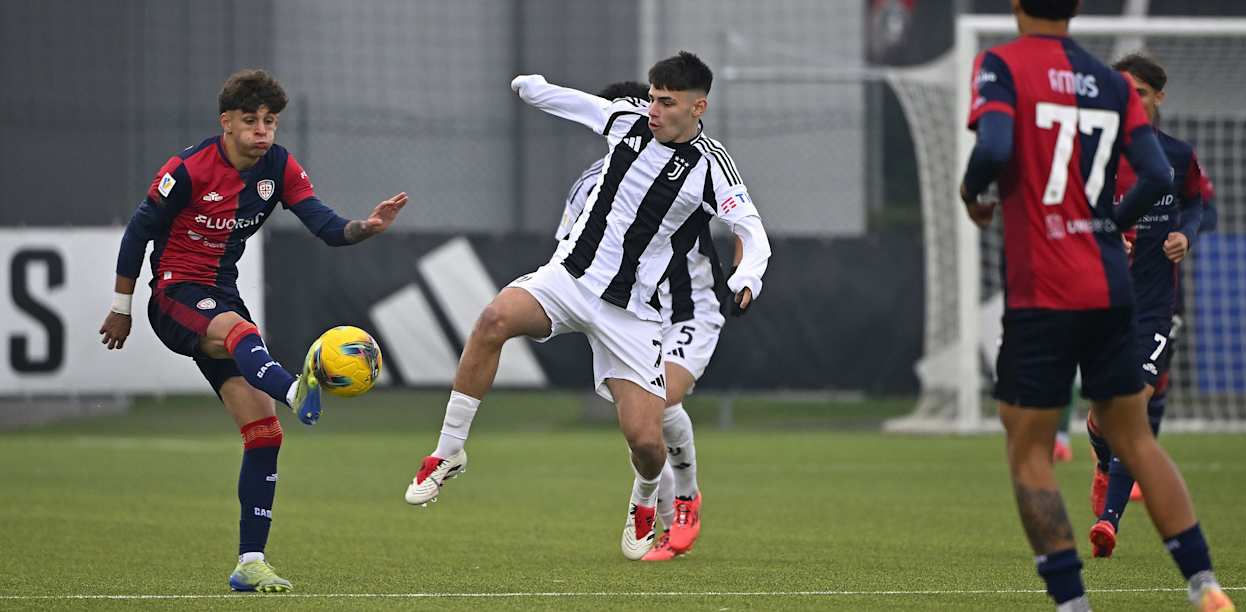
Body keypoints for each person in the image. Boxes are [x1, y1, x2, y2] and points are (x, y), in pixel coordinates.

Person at [404, 52, 770, 562]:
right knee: (493, 321)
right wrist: (532, 88)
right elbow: (580, 104)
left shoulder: (711, 166)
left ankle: (645, 500)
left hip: (633, 313)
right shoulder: (628, 121)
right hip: (570, 281)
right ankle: (447, 452)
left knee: (646, 439)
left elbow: (751, 229)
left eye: (666, 102)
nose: (654, 109)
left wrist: (748, 275)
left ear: (697, 107)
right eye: (652, 97)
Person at [958, 0, 1232, 611]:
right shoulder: (1111, 84)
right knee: (1135, 439)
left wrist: (975, 196)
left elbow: (993, 147)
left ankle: (1072, 604)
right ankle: (1205, 585)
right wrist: (1110, 220)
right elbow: (1161, 175)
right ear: (1079, 3)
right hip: (1111, 284)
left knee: (1027, 448)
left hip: (1042, 291)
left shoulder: (1000, 65)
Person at [99, 69, 408, 593]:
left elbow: (327, 227)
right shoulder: (188, 169)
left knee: (264, 433)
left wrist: (366, 227)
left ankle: (250, 562)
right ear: (227, 123)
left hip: (222, 294)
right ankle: (292, 386)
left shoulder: (279, 166)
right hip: (175, 294)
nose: (263, 131)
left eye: (270, 122)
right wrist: (121, 306)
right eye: (251, 121)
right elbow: (138, 231)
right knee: (241, 333)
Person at [552, 80, 745, 562]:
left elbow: (742, 221)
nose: (652, 119)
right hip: (634, 315)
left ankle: (686, 501)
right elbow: (567, 249)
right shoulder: (589, 186)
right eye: (644, 109)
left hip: (691, 308)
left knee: (659, 404)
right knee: (639, 423)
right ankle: (661, 521)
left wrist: (745, 273)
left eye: (659, 107)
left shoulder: (694, 166)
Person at [1085, 53, 1205, 559]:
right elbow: (1072, 215)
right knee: (1104, 416)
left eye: (1137, 92)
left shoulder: (1177, 156)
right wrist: (1105, 240)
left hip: (1154, 306)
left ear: (1158, 96)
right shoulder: (1095, 154)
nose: (1128, 100)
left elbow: (1199, 203)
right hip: (1101, 300)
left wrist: (1184, 233)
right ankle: (1099, 450)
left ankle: (1108, 524)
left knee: (1131, 407)